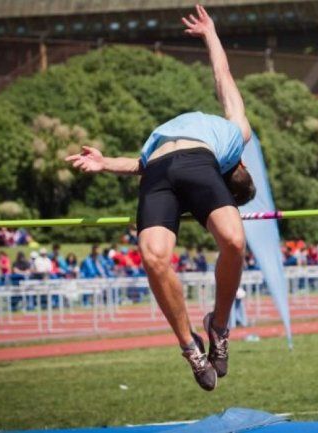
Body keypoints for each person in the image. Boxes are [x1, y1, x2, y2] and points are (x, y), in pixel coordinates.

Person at [65, 5, 254, 391]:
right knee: (153, 258)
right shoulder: (238, 133)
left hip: (192, 168)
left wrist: (105, 165)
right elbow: (223, 75)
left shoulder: (224, 156)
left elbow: (138, 165)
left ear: (233, 173)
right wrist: (211, 34)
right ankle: (190, 347)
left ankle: (217, 327)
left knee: (234, 241)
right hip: (161, 168)